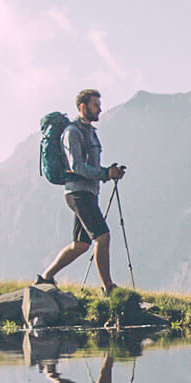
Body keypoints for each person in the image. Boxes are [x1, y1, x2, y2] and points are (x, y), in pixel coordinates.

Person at [38, 89, 125, 295]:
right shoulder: (72, 132)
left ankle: (45, 278)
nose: (100, 109)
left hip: (88, 193)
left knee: (81, 244)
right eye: (96, 105)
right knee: (102, 236)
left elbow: (90, 165)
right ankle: (108, 288)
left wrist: (109, 172)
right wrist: (104, 173)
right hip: (77, 193)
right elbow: (76, 166)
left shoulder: (90, 132)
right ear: (83, 107)